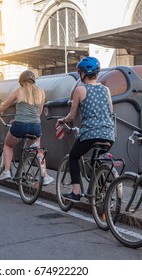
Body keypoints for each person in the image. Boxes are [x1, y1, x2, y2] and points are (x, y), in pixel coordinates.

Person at [56, 56, 115, 201]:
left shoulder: (80, 90)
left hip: (90, 134)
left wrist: (63, 121)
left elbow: (72, 115)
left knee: (74, 157)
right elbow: (111, 112)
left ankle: (76, 192)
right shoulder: (106, 89)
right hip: (108, 134)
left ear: (82, 73)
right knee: (97, 160)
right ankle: (97, 193)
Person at [0, 70, 54, 185]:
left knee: (7, 144)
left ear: (21, 82)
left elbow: (5, 104)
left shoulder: (19, 90)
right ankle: (45, 176)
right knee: (38, 149)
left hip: (19, 125)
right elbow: (39, 112)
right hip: (36, 126)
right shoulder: (41, 92)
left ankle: (6, 171)